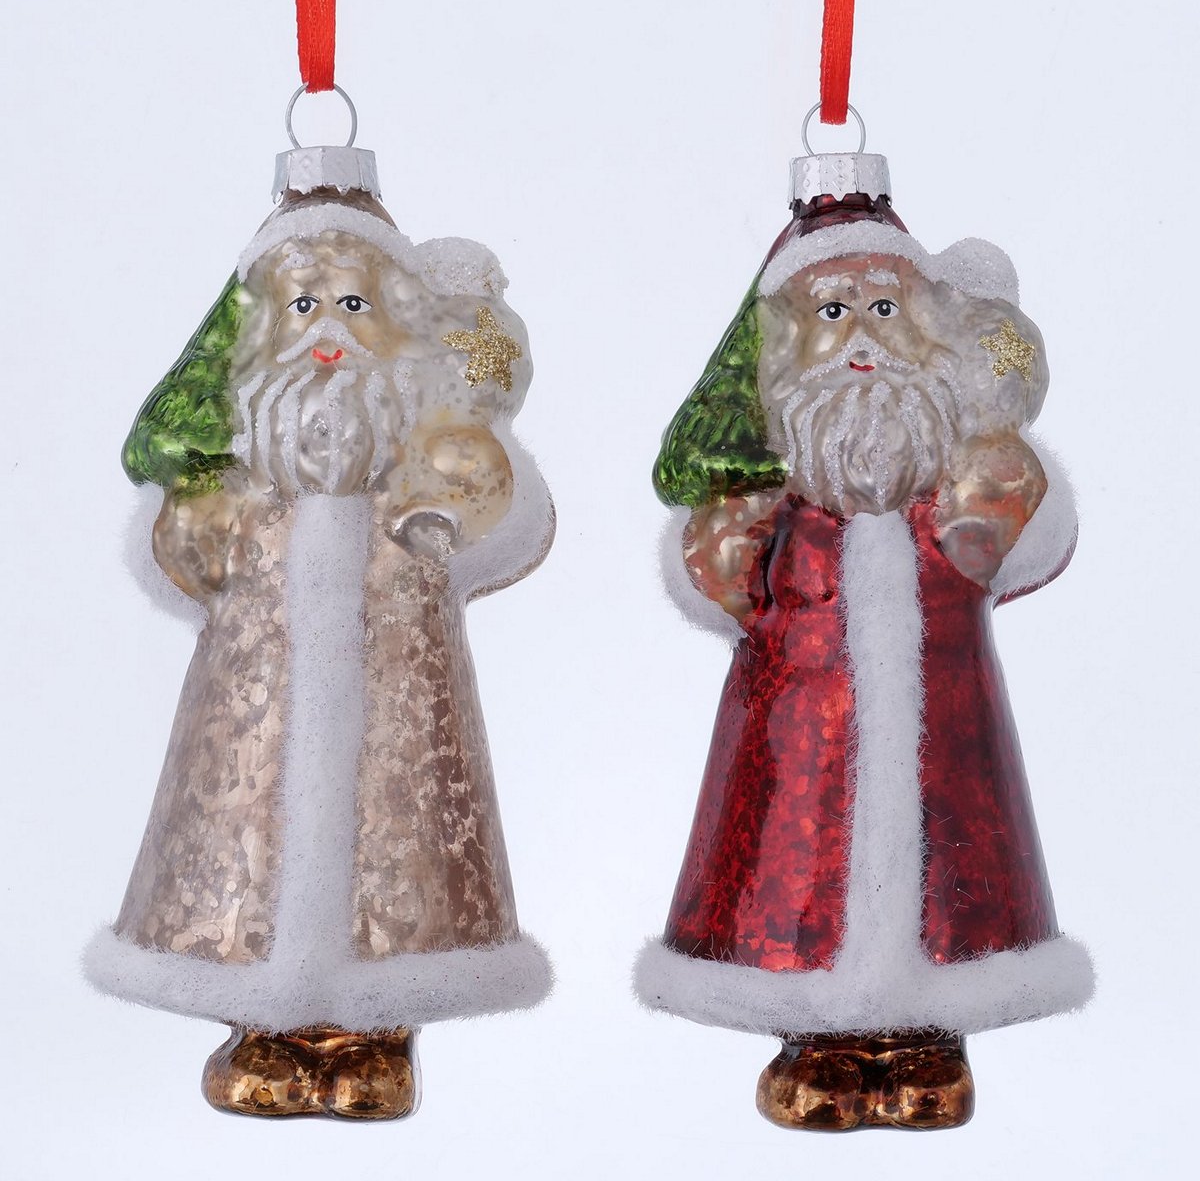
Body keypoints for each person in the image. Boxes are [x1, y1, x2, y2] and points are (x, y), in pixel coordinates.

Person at [86, 158, 553, 1120]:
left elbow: (506, 522)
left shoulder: (427, 452)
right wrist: (192, 523)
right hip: (251, 700)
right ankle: (260, 1025)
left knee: (398, 835)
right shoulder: (244, 466)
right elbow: (178, 554)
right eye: (304, 306)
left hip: (402, 690)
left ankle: (377, 1035)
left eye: (353, 303)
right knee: (245, 835)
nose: (328, 330)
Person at [636, 189, 1092, 1130]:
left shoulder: (965, 487)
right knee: (799, 873)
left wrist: (1003, 454)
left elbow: (1020, 547)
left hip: (947, 733)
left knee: (950, 871)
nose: (860, 336)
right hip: (797, 746)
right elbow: (718, 581)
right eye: (831, 311)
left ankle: (931, 1043)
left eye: (884, 308)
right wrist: (720, 547)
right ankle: (818, 1043)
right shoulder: (775, 510)